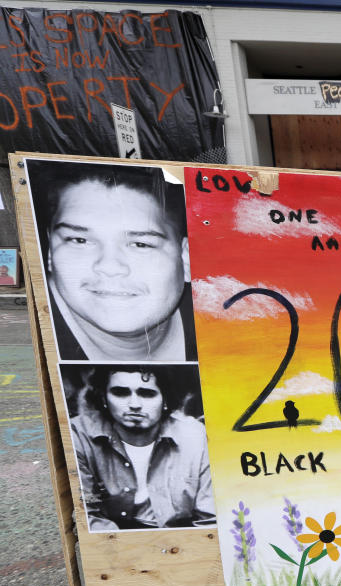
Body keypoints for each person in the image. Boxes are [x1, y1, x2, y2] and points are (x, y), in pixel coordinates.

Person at [31, 161, 196, 361]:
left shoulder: (227, 324)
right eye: (79, 240)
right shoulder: (24, 346)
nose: (109, 267)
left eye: (140, 244)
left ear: (185, 258)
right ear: (50, 252)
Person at [71, 365, 214, 531]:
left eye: (147, 393)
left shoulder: (195, 436)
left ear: (165, 399)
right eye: (120, 393)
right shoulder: (78, 435)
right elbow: (84, 515)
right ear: (103, 397)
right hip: (111, 544)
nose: (134, 404)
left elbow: (209, 518)